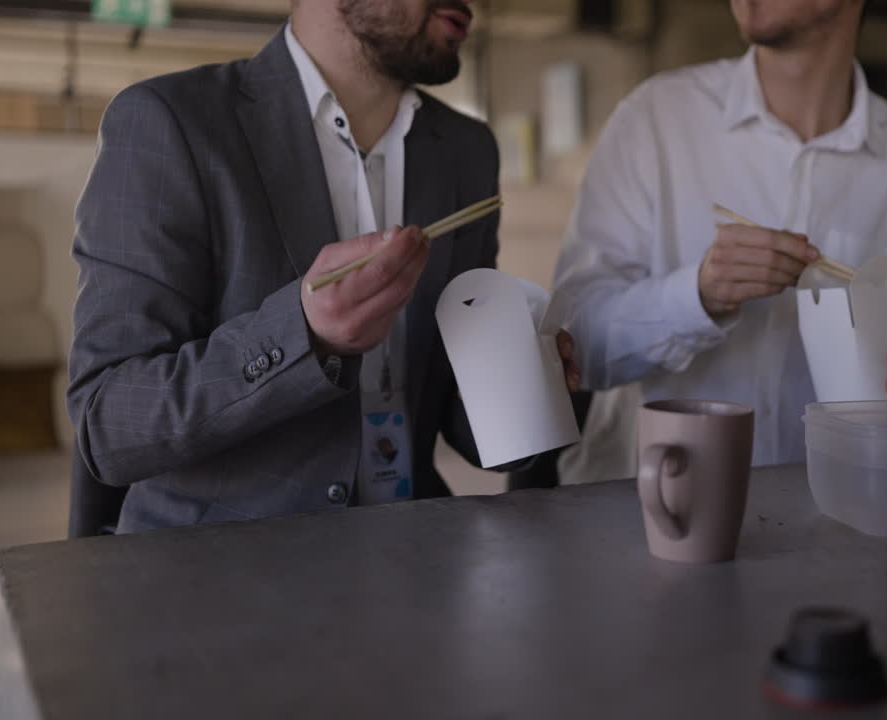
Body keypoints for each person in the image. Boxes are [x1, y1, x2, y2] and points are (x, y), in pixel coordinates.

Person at [67, 0, 578, 535]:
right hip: (218, 577)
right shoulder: (169, 122)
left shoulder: (467, 150)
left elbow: (452, 408)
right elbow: (109, 423)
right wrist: (303, 335)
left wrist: (531, 390)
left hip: (415, 560)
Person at [553, 0, 887, 477]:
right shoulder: (654, 118)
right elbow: (574, 346)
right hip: (639, 516)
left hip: (832, 515)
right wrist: (697, 296)